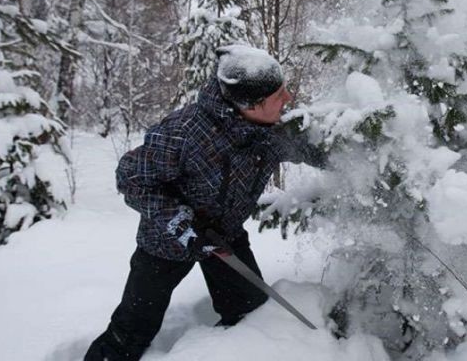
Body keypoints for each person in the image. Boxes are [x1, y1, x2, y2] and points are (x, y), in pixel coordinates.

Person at [85, 44, 324, 361]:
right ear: (250, 104)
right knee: (132, 329)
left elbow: (317, 151)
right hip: (167, 242)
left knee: (250, 313)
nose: (288, 98)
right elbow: (131, 178)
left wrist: (364, 155)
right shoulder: (182, 133)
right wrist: (182, 226)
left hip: (224, 237)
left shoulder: (271, 130)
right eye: (279, 94)